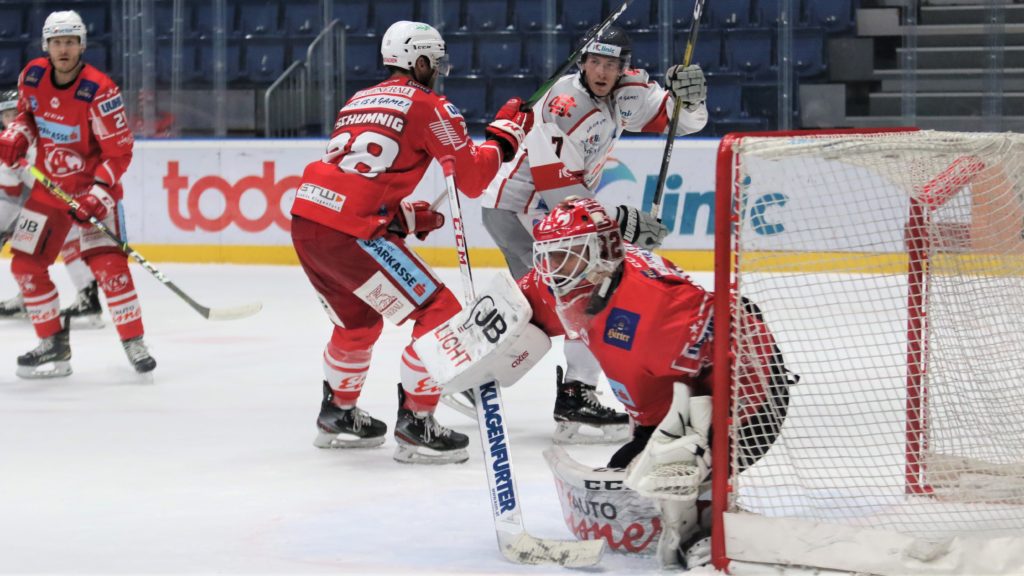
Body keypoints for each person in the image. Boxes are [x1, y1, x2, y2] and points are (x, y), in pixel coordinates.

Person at [290, 20, 533, 464]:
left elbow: (360, 174)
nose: (438, 70)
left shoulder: (359, 99)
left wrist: (402, 215)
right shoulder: (430, 105)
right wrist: (505, 138)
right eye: (434, 62)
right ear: (419, 61)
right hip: (351, 232)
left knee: (358, 322)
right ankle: (417, 424)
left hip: (308, 222)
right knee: (440, 313)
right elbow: (476, 178)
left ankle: (337, 412)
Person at [520, 197, 794, 567]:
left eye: (565, 255)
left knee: (663, 476)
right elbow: (527, 300)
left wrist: (698, 455)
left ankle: (710, 528)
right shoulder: (583, 276)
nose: (551, 269)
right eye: (549, 255)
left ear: (603, 253)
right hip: (674, 395)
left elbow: (737, 353)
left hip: (749, 397)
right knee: (628, 480)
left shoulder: (660, 317)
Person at [478, 25, 710, 444]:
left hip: (549, 215)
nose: (602, 72)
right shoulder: (564, 106)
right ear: (582, 62)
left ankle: (470, 377)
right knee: (579, 297)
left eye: (611, 64)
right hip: (519, 211)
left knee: (547, 304)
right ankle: (572, 394)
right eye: (595, 62)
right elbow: (557, 190)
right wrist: (621, 220)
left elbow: (684, 121)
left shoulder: (629, 92)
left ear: (624, 67)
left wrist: (691, 98)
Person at [0, 10, 156, 378]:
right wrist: (16, 136)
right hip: (49, 189)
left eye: (70, 41)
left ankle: (134, 342)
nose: (64, 49)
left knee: (108, 266)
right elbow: (27, 117)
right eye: (57, 42)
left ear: (82, 45)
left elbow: (120, 152)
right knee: (25, 263)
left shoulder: (100, 90)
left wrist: (99, 194)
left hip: (91, 191)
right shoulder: (32, 76)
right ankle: (53, 344)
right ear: (46, 46)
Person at [0, 88, 105, 328]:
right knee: (28, 248)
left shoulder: (40, 138)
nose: (9, 121)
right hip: (46, 204)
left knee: (63, 239)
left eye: (13, 114)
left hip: (70, 198)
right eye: (4, 116)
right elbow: (11, 191)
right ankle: (32, 296)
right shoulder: (14, 146)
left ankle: (87, 297)